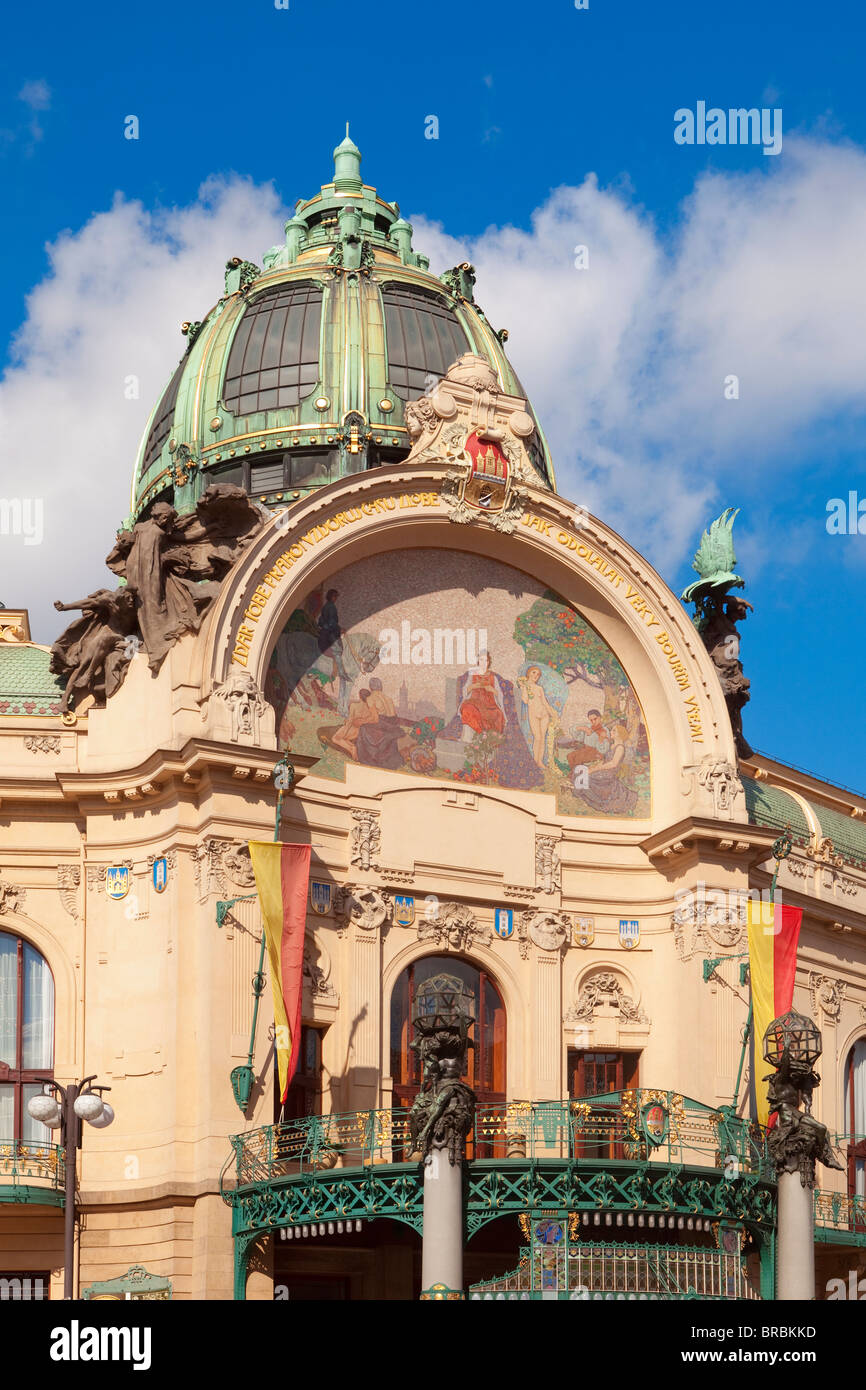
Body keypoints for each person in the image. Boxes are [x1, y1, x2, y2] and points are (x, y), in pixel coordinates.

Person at [575, 722, 637, 814]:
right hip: (604, 768)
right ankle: (582, 794)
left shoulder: (620, 748)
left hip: (609, 772)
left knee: (589, 776)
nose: (611, 732)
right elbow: (604, 760)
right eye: (612, 730)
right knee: (580, 770)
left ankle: (595, 800)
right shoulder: (612, 746)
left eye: (614, 731)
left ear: (620, 734)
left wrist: (595, 769)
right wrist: (594, 766)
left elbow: (613, 763)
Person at [517, 665, 559, 765]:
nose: (536, 675)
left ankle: (539, 761)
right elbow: (525, 701)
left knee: (543, 738)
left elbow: (545, 702)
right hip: (533, 714)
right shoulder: (525, 686)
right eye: (534, 673)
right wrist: (523, 688)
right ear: (528, 673)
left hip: (544, 714)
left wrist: (553, 714)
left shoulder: (539, 688)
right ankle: (535, 761)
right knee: (538, 737)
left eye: (538, 674)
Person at [459, 651, 506, 739]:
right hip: (474, 701)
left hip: (490, 704)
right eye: (481, 660)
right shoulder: (473, 675)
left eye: (486, 660)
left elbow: (499, 694)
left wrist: (491, 689)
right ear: (478, 661)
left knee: (498, 714)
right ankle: (480, 734)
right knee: (467, 709)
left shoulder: (493, 677)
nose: (484, 663)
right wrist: (474, 686)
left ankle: (490, 738)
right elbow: (465, 690)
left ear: (489, 662)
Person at [331, 688, 376, 758]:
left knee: (335, 738)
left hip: (352, 729)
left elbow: (350, 721)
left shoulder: (354, 705)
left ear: (359, 696)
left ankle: (351, 748)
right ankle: (353, 747)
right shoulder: (370, 708)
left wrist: (345, 731)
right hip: (359, 732)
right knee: (345, 739)